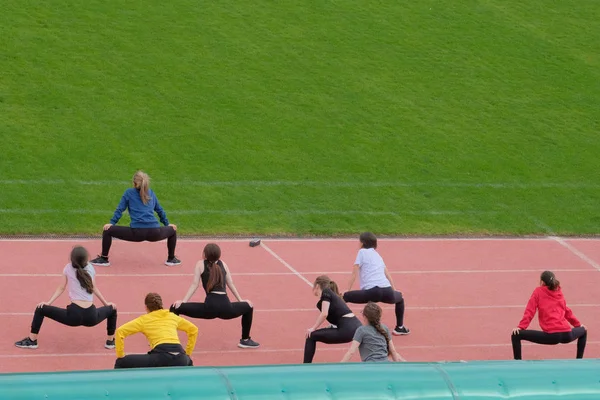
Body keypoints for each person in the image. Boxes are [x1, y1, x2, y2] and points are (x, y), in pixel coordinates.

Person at [15, 246, 117, 349]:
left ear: (72, 258)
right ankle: (110, 342)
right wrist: (106, 303)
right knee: (113, 310)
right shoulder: (91, 268)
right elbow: (94, 288)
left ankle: (32, 340)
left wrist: (48, 302)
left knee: (40, 309)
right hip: (91, 316)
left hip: (73, 316)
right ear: (86, 258)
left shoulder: (68, 268)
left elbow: (61, 288)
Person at [169, 243, 259, 349]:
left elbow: (194, 285)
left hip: (209, 308)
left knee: (174, 307)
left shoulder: (200, 264)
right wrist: (241, 300)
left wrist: (183, 302)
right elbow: (230, 283)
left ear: (205, 255)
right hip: (227, 308)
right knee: (249, 307)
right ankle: (245, 340)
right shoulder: (223, 264)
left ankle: (167, 340)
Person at [90, 170, 180, 267]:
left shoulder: (129, 193)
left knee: (107, 231)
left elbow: (120, 209)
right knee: (173, 230)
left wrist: (112, 223)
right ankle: (171, 259)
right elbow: (159, 210)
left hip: (137, 233)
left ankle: (104, 258)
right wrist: (167, 224)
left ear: (134, 183)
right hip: (155, 232)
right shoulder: (151, 193)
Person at [343, 232, 409, 335]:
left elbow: (354, 273)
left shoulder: (362, 252)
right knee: (400, 299)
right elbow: (387, 274)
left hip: (372, 292)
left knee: (343, 298)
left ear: (362, 243)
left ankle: (337, 324)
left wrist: (347, 291)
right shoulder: (378, 255)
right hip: (387, 291)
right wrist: (394, 290)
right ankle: (400, 327)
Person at [511, 270, 587, 360]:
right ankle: (579, 361)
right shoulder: (559, 292)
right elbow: (567, 311)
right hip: (567, 334)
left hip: (551, 336)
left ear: (542, 282)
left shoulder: (538, 291)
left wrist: (521, 327)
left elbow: (530, 311)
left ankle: (518, 364)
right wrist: (578, 325)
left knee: (516, 335)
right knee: (584, 331)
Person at [114, 293, 198, 368]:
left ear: (146, 307)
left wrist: (120, 355)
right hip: (181, 357)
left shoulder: (143, 320)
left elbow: (120, 332)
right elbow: (193, 330)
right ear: (161, 304)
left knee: (121, 362)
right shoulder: (172, 316)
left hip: (160, 356)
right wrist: (187, 353)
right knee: (189, 362)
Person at [304, 275, 361, 363]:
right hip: (355, 327)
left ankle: (305, 367)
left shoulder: (326, 292)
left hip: (347, 329)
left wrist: (313, 328)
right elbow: (340, 314)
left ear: (317, 286)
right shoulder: (330, 297)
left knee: (310, 336)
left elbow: (324, 314)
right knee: (313, 335)